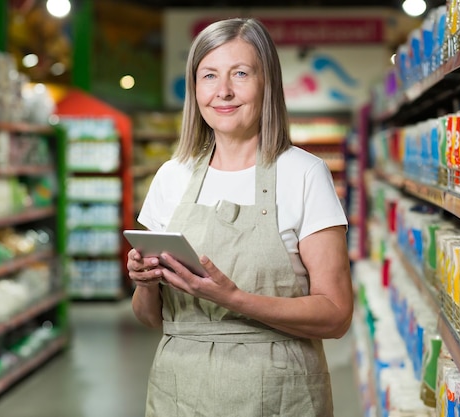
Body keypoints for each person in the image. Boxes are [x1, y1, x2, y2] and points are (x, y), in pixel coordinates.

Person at [127, 17, 353, 417]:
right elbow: (150, 318)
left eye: (241, 74)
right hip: (179, 393)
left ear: (268, 83)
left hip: (280, 395)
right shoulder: (171, 176)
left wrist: (234, 299)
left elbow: (335, 316)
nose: (223, 91)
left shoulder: (303, 174)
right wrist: (145, 284)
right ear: (194, 88)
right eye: (209, 75)